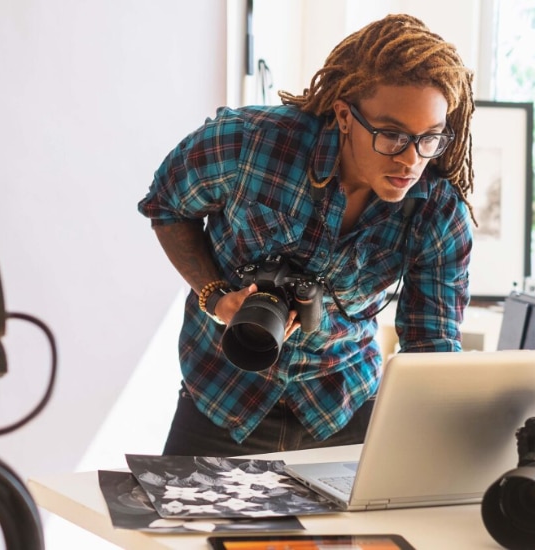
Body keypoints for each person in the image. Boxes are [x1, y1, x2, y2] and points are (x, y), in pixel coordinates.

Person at [137, 13, 476, 457]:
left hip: (343, 409)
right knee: (181, 528)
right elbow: (166, 205)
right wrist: (216, 295)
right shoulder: (249, 143)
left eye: (429, 138)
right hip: (222, 396)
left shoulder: (438, 211)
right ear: (344, 115)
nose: (412, 160)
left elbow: (431, 347)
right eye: (391, 135)